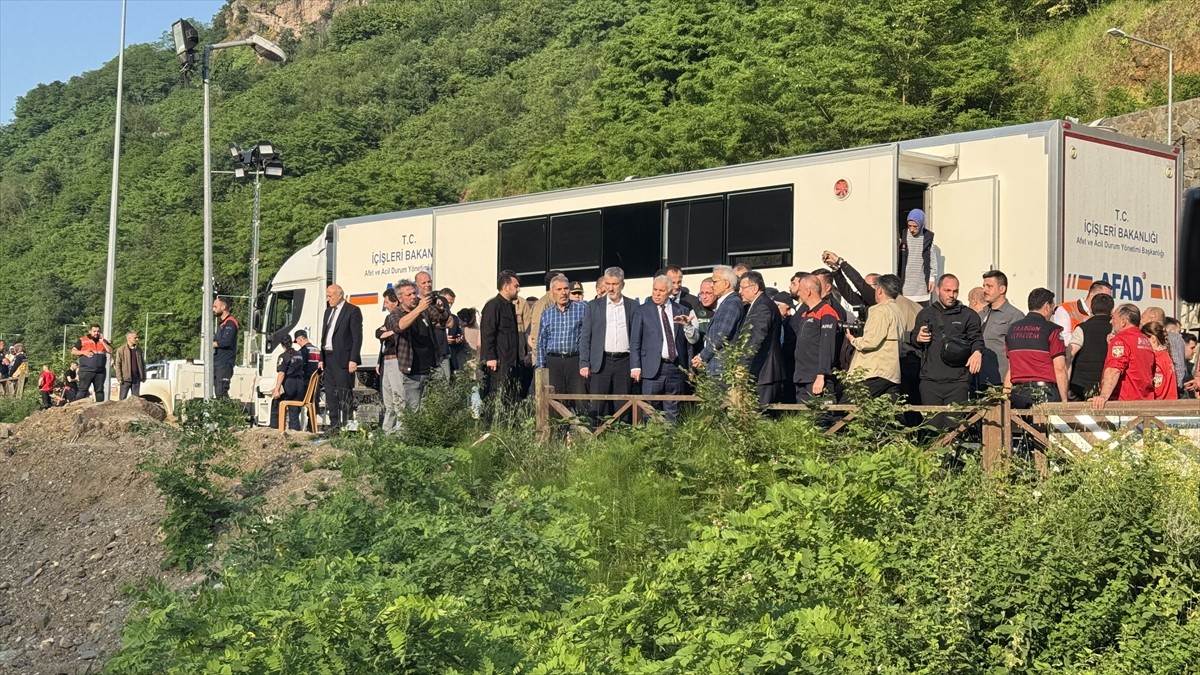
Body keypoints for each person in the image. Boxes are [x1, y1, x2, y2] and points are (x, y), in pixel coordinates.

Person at [912, 274, 984, 410]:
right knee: (932, 426)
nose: (952, 295)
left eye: (955, 291)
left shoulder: (968, 315)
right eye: (947, 290)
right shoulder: (925, 314)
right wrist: (918, 338)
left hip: (958, 382)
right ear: (938, 290)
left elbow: (977, 339)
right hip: (930, 381)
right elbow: (914, 340)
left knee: (954, 427)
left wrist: (977, 352)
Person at [579, 266, 638, 423]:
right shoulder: (594, 306)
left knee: (623, 404)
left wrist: (636, 365)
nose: (611, 288)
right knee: (597, 404)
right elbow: (585, 337)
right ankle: (596, 439)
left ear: (622, 284)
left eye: (615, 284)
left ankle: (622, 440)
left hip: (624, 361)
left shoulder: (632, 306)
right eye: (608, 283)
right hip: (601, 361)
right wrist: (584, 362)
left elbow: (637, 337)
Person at [1004, 288, 1068, 407]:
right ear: (1046, 306)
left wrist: (1005, 396)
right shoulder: (1053, 330)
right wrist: (1064, 401)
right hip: (1044, 393)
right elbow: (1060, 368)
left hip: (1018, 394)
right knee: (1046, 426)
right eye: (1052, 308)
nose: (1053, 313)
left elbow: (1011, 368)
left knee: (1021, 426)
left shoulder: (1012, 329)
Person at [845, 274, 905, 399]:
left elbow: (869, 342)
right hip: (892, 372)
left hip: (873, 372)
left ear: (879, 290)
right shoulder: (898, 311)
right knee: (886, 414)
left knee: (845, 410)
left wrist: (853, 340)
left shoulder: (880, 310)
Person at [536, 274, 588, 406]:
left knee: (579, 399)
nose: (563, 293)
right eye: (559, 289)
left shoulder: (582, 309)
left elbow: (588, 337)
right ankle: (559, 427)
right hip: (554, 362)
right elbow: (542, 342)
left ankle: (581, 426)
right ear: (552, 292)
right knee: (556, 401)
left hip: (574, 360)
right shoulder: (547, 314)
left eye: (565, 289)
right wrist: (541, 367)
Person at [1091, 303, 1155, 410]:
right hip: (1145, 403)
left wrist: (1103, 395)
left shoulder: (1121, 340)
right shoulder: (1145, 341)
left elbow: (1114, 369)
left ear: (1123, 321)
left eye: (1113, 318)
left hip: (1124, 404)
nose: (1111, 321)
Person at [391, 279, 440, 419]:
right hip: (413, 371)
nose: (413, 297)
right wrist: (419, 309)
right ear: (400, 298)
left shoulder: (425, 311)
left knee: (432, 411)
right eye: (409, 295)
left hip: (431, 368)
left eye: (414, 293)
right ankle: (410, 440)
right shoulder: (395, 314)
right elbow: (400, 326)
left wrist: (440, 306)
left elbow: (444, 321)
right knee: (413, 411)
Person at [735, 270, 785, 406]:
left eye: (743, 288)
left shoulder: (762, 306)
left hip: (765, 372)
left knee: (761, 415)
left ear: (755, 288)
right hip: (762, 371)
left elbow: (756, 337)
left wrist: (742, 364)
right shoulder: (758, 304)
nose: (740, 292)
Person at [319, 284, 364, 430]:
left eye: (330, 296)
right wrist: (321, 358)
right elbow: (325, 336)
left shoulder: (352, 311)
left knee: (344, 392)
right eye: (327, 296)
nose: (328, 299)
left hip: (343, 358)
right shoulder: (328, 312)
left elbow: (357, 337)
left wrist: (353, 359)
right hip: (328, 357)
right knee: (330, 394)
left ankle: (346, 424)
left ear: (339, 295)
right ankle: (334, 426)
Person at [791, 274, 840, 401]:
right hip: (802, 376)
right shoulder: (805, 314)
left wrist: (821, 375)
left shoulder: (826, 312)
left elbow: (827, 346)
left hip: (816, 378)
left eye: (800, 290)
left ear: (808, 291)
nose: (798, 294)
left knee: (821, 417)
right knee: (803, 419)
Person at [692, 266, 744, 378]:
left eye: (715, 281)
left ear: (726, 284)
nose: (712, 284)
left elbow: (721, 336)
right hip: (716, 368)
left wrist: (702, 356)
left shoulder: (731, 303)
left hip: (723, 369)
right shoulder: (726, 302)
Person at [977, 270, 1025, 391]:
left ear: (1002, 289)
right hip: (978, 380)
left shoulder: (1015, 316)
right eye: (984, 286)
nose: (984, 290)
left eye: (989, 286)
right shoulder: (980, 314)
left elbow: (1017, 353)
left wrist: (1008, 383)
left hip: (1000, 382)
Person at [480, 272, 523, 405]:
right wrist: (491, 357)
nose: (518, 289)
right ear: (505, 287)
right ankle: (491, 424)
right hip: (498, 363)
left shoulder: (510, 307)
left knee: (509, 397)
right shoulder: (493, 305)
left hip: (510, 361)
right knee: (496, 397)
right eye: (516, 286)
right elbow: (488, 332)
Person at [1065, 293, 1114, 400]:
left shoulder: (1082, 328)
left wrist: (1066, 386)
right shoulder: (1116, 330)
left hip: (1081, 390)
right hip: (1108, 390)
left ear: (1091, 309)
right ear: (1112, 310)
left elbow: (1069, 356)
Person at [1140, 307, 1187, 398]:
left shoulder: (1172, 341)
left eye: (1142, 317)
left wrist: (1173, 388)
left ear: (1152, 319)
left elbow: (1180, 370)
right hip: (1172, 394)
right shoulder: (1165, 352)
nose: (1140, 322)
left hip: (1164, 397)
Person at [375, 288, 404, 432]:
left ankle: (400, 431)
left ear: (396, 301)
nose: (385, 305)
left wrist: (390, 332)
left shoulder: (401, 317)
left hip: (397, 360)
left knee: (398, 397)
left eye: (387, 302)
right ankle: (387, 430)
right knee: (388, 399)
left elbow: (396, 336)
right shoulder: (388, 318)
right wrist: (379, 362)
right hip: (386, 360)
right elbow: (378, 333)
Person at [269, 334, 306, 431]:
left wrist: (276, 389)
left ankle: (275, 429)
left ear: (282, 344)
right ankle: (295, 430)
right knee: (294, 410)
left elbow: (281, 374)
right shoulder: (299, 354)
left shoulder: (283, 356)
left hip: (289, 385)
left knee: (276, 404)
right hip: (300, 386)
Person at [898, 208, 935, 304]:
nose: (912, 229)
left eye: (915, 226)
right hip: (905, 284)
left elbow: (932, 259)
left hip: (921, 284)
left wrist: (932, 278)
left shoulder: (928, 237)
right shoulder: (903, 235)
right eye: (909, 226)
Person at [72, 324, 112, 402]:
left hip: (100, 371)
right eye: (94, 331)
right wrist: (84, 352)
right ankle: (78, 408)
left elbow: (110, 351)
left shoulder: (103, 341)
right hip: (86, 370)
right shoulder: (83, 340)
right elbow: (73, 351)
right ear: (90, 331)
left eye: (98, 331)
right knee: (82, 390)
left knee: (99, 390)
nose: (96, 333)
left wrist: (103, 342)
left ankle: (100, 409)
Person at [1141, 321, 1178, 401]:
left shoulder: (1157, 359)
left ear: (1153, 339)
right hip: (1169, 401)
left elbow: (1158, 388)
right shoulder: (1165, 355)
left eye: (1144, 340)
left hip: (1160, 404)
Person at [211, 297, 239, 398]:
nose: (213, 309)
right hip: (218, 362)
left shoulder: (230, 323)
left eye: (215, 306)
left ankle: (227, 412)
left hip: (224, 362)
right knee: (218, 391)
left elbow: (227, 341)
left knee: (221, 391)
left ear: (223, 307)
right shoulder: (222, 323)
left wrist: (212, 344)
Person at [113, 330, 147, 400]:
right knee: (122, 398)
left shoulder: (139, 350)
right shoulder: (121, 350)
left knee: (136, 399)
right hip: (125, 379)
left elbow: (143, 364)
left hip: (136, 378)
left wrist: (143, 376)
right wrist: (119, 378)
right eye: (135, 338)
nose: (137, 339)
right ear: (129, 338)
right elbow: (118, 364)